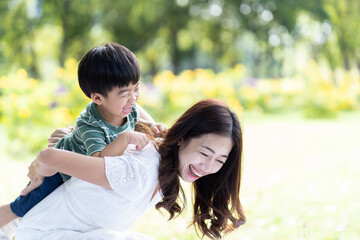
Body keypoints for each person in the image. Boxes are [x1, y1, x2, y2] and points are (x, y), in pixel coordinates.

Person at [12, 99, 246, 240]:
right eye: (205, 153)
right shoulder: (138, 171)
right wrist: (39, 173)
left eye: (220, 160)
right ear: (183, 138)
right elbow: (49, 156)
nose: (208, 167)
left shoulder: (165, 154)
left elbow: (130, 100)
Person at [0, 42, 167, 239]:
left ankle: (16, 222)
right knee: (25, 203)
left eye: (136, 89)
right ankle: (7, 222)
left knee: (42, 207)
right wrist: (126, 137)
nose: (133, 98)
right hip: (60, 170)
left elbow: (148, 126)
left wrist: (156, 128)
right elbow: (97, 161)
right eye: (124, 94)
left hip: (80, 175)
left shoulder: (128, 109)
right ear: (97, 98)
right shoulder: (91, 127)